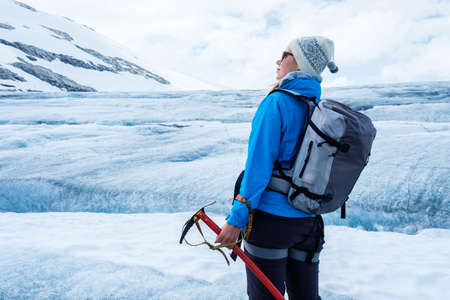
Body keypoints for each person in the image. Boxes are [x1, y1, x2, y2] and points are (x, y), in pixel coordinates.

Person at [215, 36, 338, 300]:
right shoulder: (320, 108)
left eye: (284, 55)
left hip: (271, 223)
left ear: (299, 62)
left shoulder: (277, 103)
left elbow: (257, 168)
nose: (278, 61)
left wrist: (237, 219)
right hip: (308, 224)